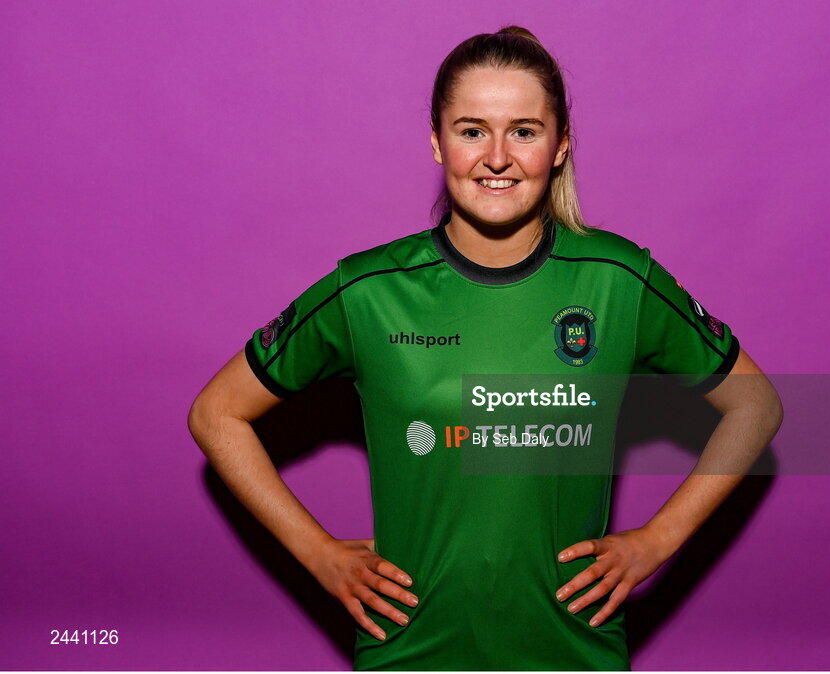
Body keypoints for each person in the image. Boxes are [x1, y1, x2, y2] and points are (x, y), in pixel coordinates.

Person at [188, 25, 783, 671]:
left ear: (558, 148)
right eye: (472, 130)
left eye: (524, 131)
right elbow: (216, 413)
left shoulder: (619, 280)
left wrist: (657, 540)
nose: (496, 156)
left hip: (572, 652)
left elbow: (756, 406)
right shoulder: (367, 291)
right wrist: (319, 554)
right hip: (410, 652)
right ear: (437, 143)